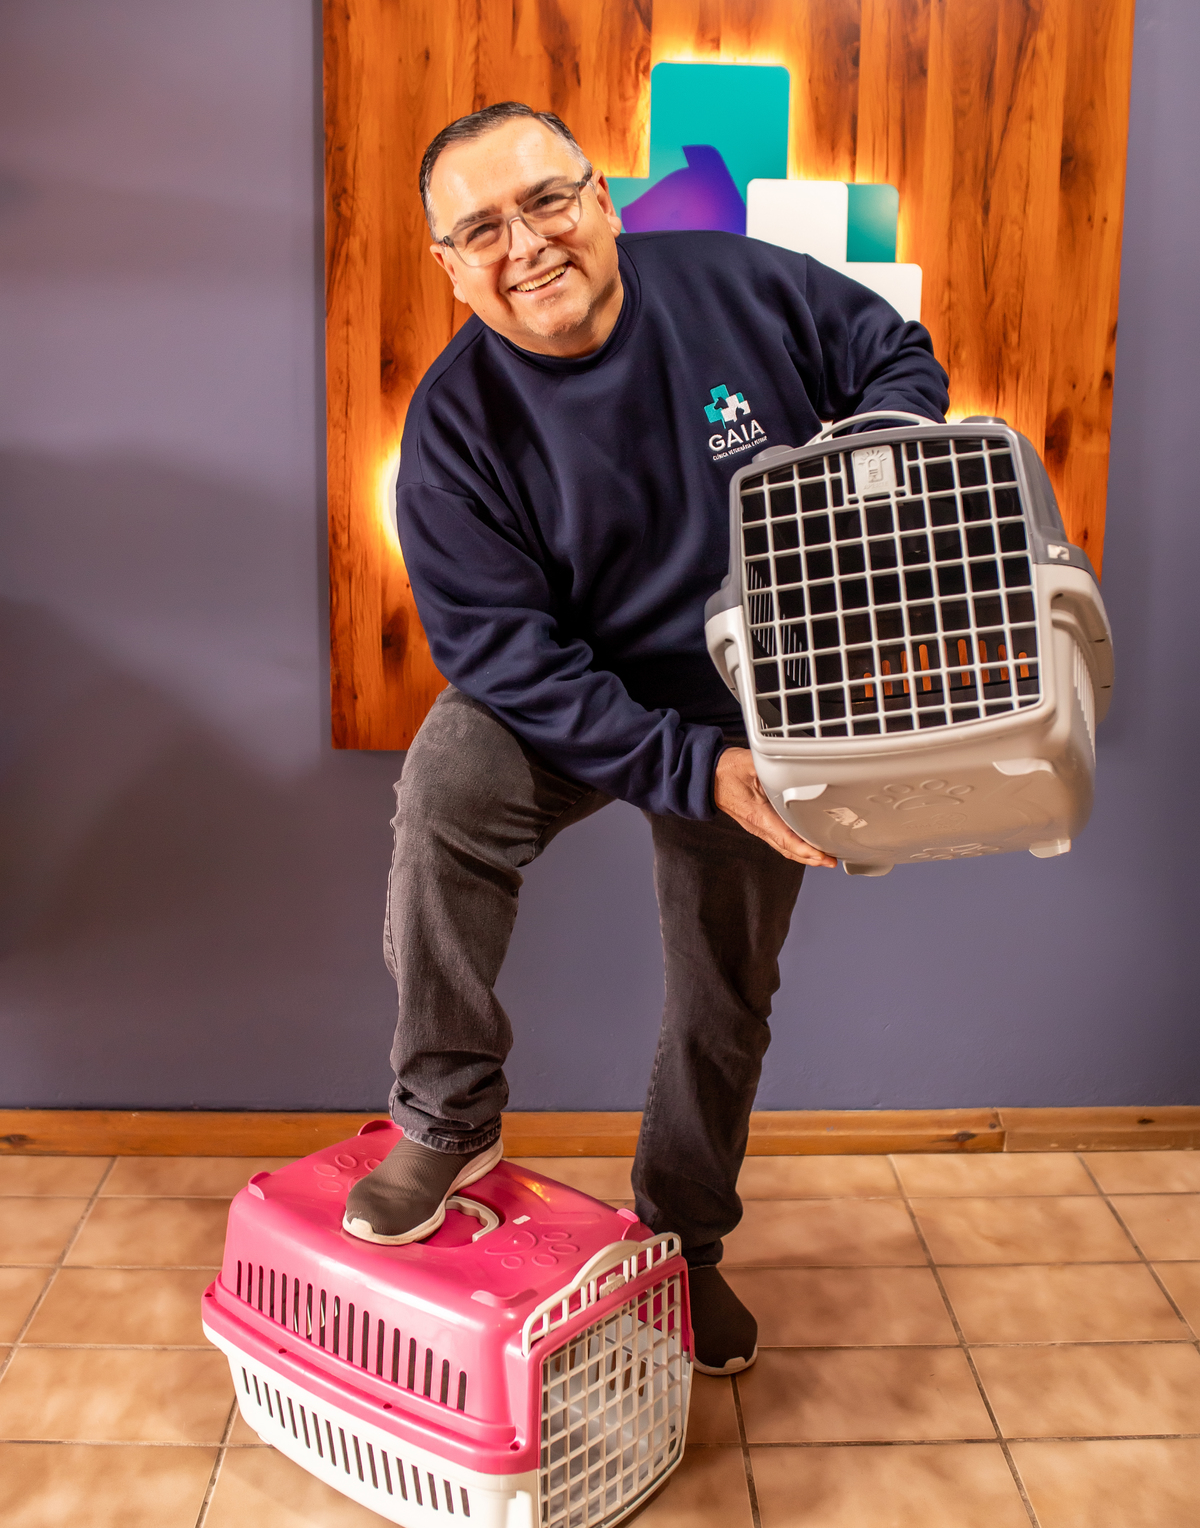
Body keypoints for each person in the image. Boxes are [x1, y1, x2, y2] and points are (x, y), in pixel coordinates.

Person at [344, 102, 949, 1374]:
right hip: (574, 692)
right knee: (447, 788)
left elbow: (892, 351)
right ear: (450, 267)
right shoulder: (453, 431)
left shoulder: (740, 287)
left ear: (601, 198)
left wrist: (880, 458)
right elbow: (506, 658)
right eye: (482, 230)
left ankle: (684, 1240)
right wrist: (689, 769)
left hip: (759, 688)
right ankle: (449, 1116)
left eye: (546, 201)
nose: (527, 246)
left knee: (728, 984)